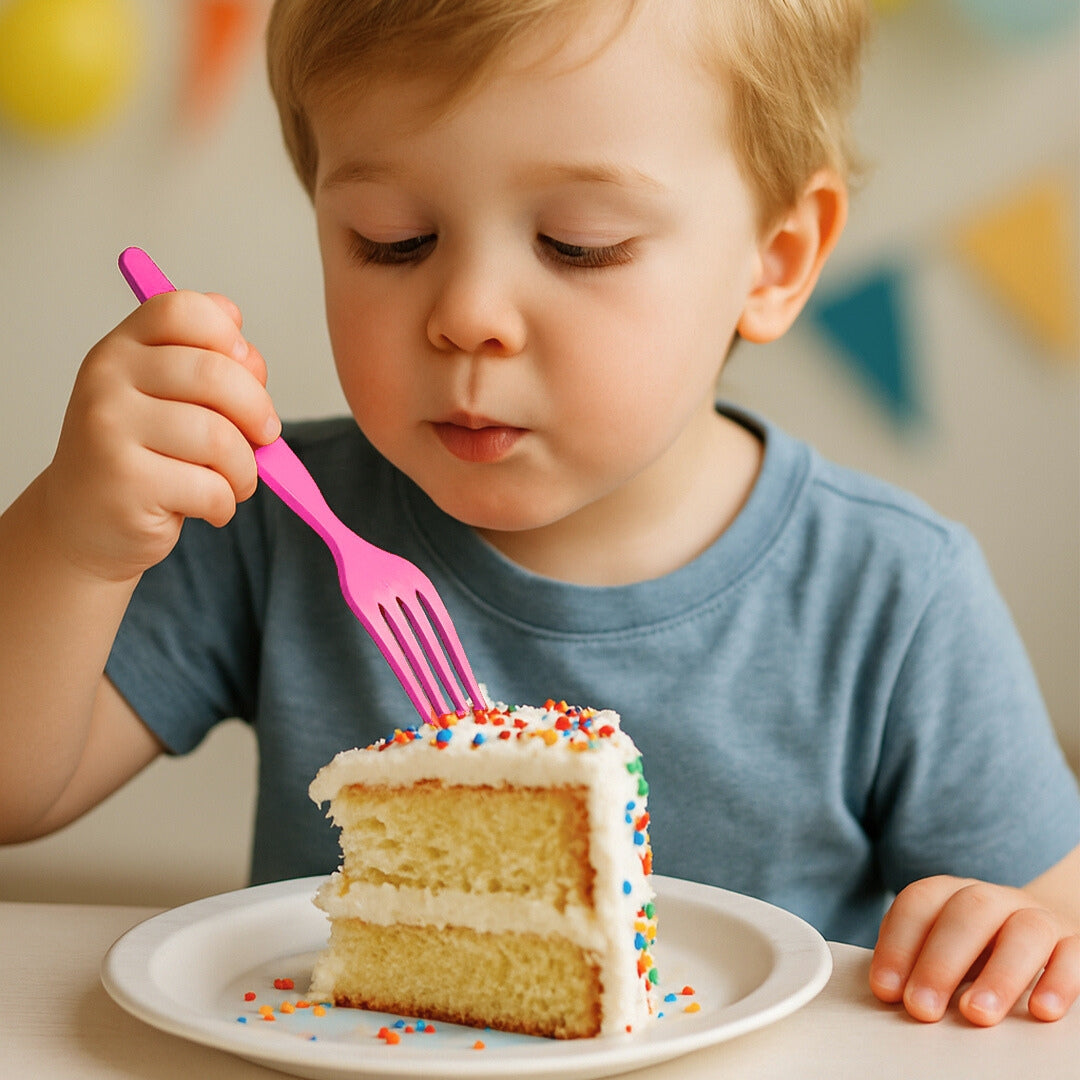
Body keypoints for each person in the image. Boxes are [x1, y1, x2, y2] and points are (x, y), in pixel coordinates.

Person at [0, 0, 1077, 1030]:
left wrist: (1021, 935)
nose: (468, 315)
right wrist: (76, 538)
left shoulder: (894, 595)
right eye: (392, 239)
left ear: (777, 258)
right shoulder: (282, 518)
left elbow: (1050, 925)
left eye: (578, 243)